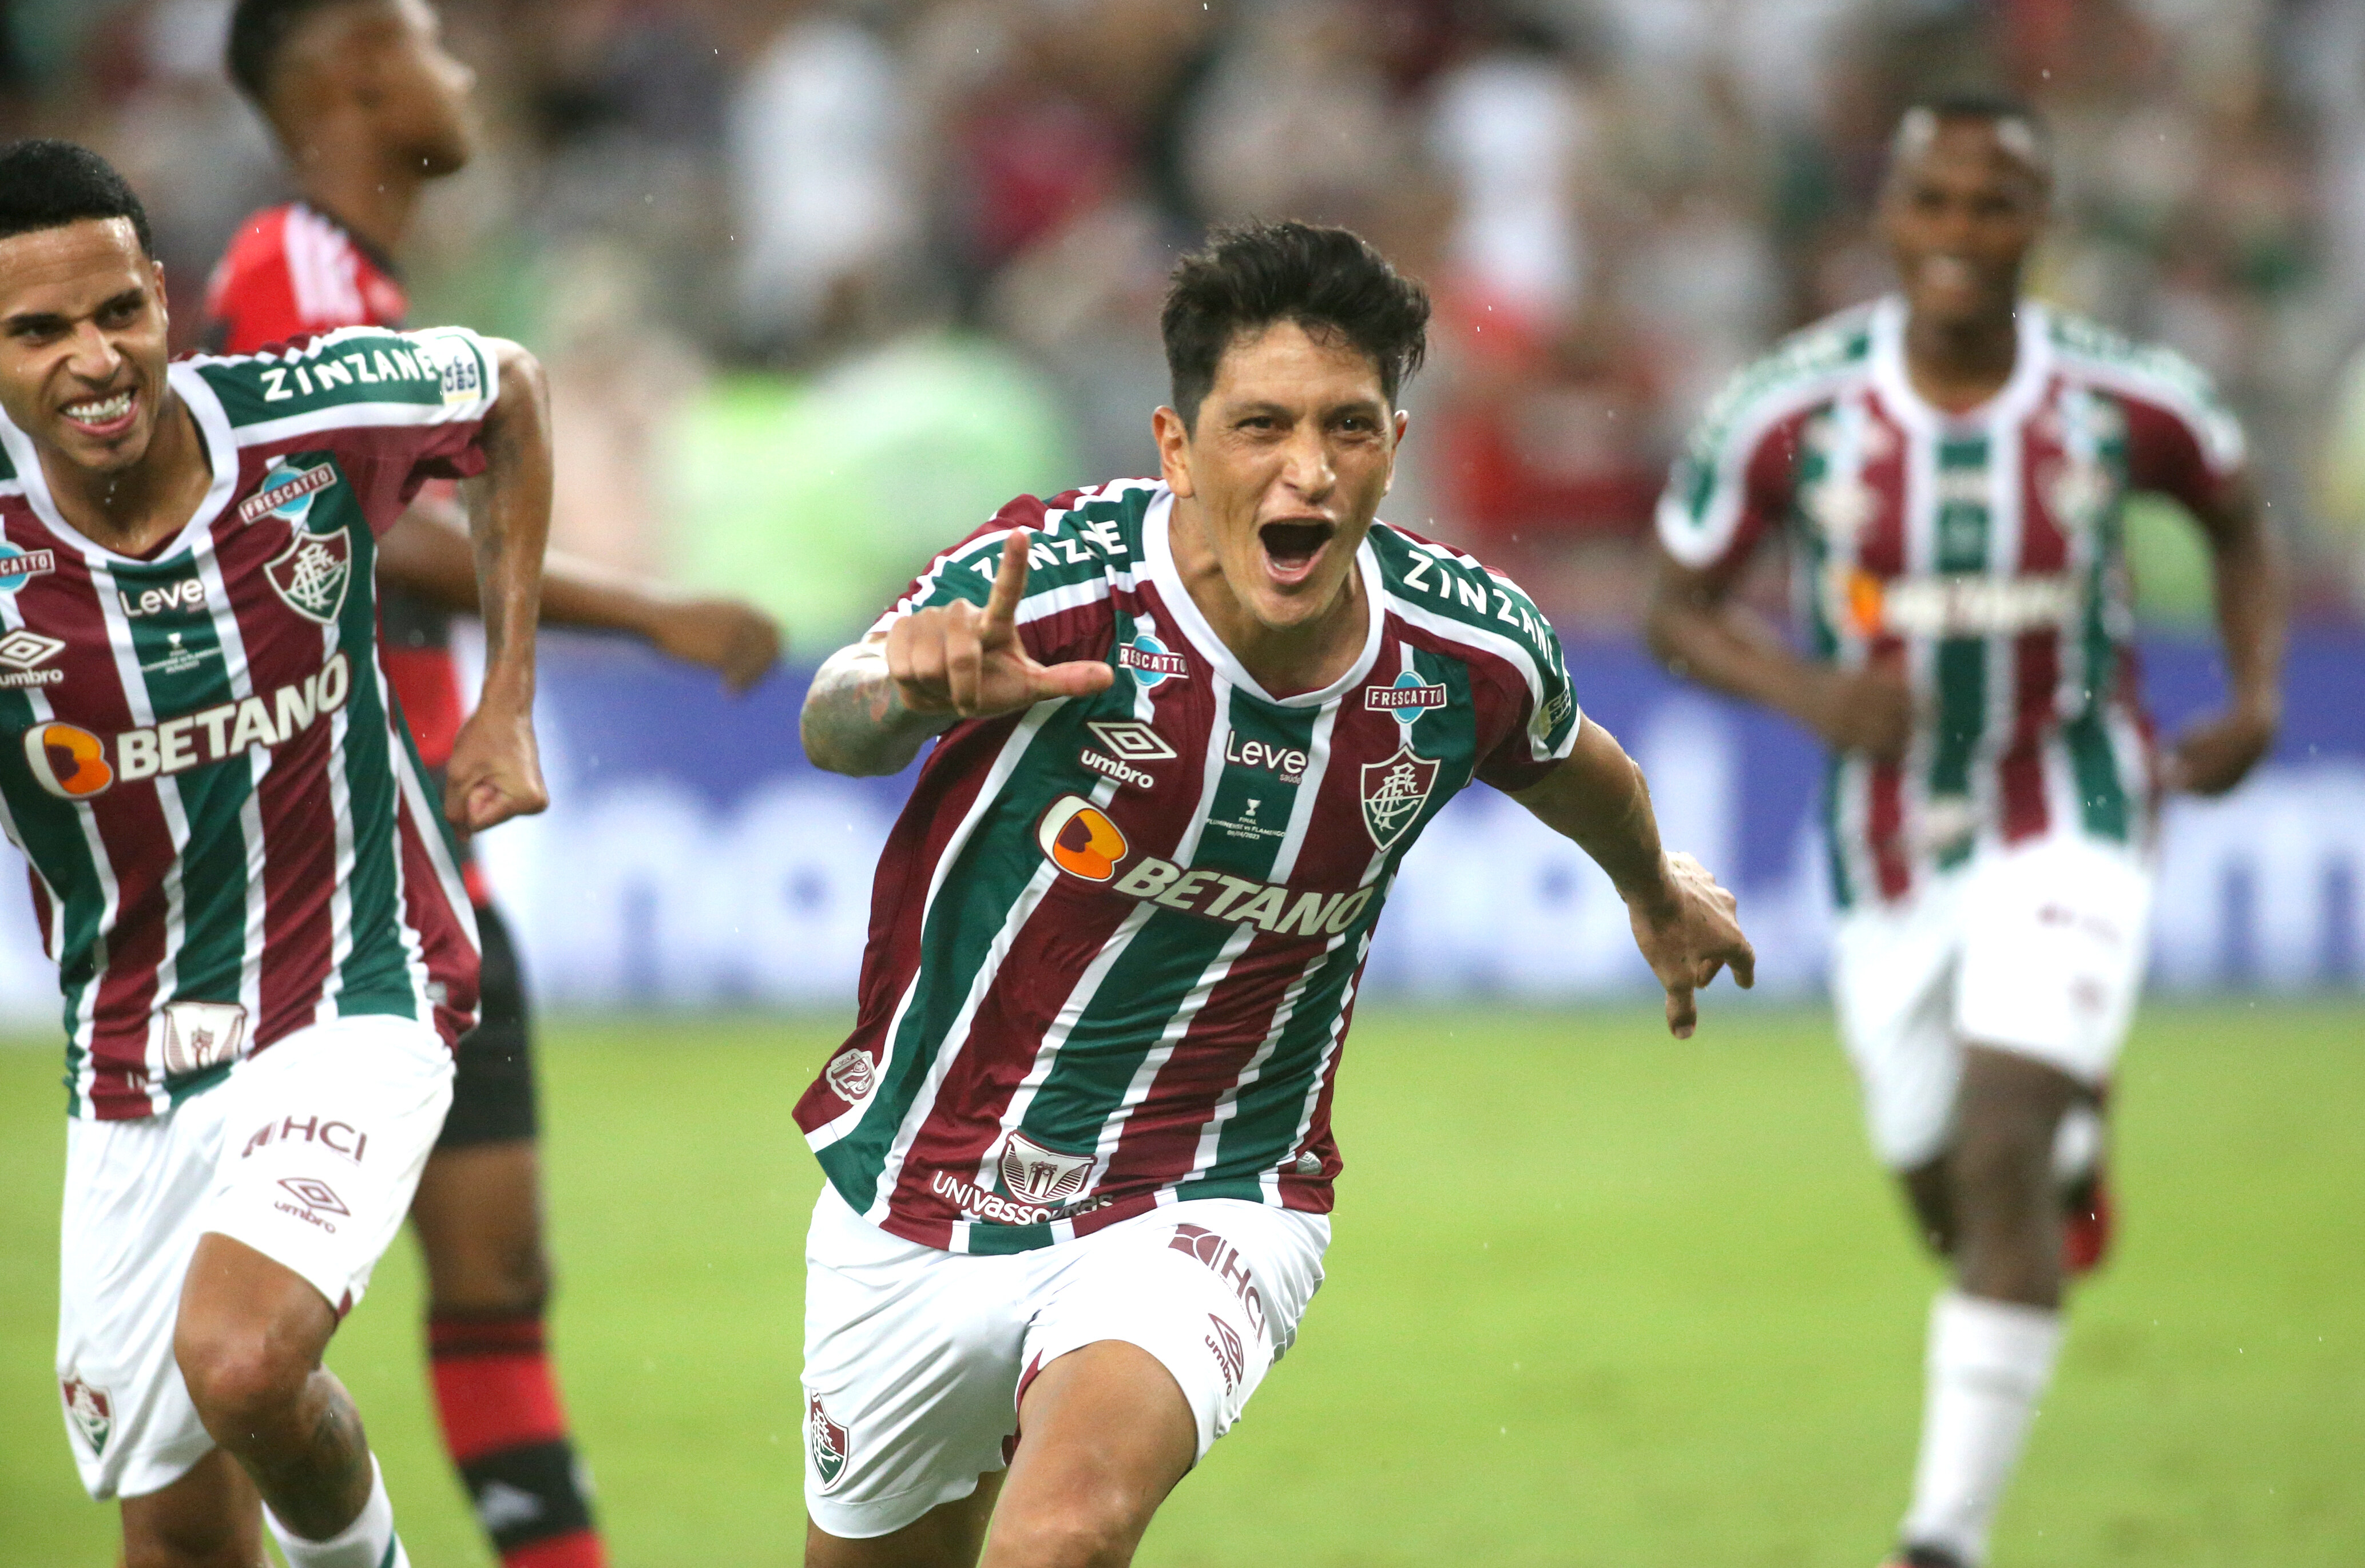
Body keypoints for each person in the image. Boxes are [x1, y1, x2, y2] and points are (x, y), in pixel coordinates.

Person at [793, 219, 1755, 1566]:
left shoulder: (1464, 648)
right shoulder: (1055, 583)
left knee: (1057, 1540)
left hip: (1213, 1186)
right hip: (916, 1186)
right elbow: (831, 724)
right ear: (1177, 449)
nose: (1307, 470)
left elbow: (1573, 763)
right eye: (1259, 427)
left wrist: (1653, 888)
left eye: (1349, 427)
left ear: (1396, 446)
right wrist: (904, 682)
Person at [1646, 97, 2283, 1568]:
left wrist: (2253, 697)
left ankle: (1941, 1540)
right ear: (1891, 216)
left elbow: (2241, 517)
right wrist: (1804, 686)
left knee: (1996, 1145)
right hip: (1885, 848)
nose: (1957, 234)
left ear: (2038, 223)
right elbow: (1676, 607)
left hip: (2076, 800)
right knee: (1951, 1190)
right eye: (1932, 202)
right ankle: (2065, 1155)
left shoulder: (2127, 399)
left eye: (1992, 206)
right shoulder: (1792, 407)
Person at [212, 5, 784, 1565]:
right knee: (248, 1353)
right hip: (338, 882)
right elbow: (333, 522)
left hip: (426, 871)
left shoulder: (357, 283)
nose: (461, 71)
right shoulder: (294, 266)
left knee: (495, 1275)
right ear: (348, 71)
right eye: (427, 39)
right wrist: (650, 610)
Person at [1, 138, 551, 1568]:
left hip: (359, 985)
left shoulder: (310, 416)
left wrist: (506, 700)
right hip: (130, 1055)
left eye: (117, 312)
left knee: (243, 1360)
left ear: (166, 302)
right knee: (178, 1535)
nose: (94, 361)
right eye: (37, 331)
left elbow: (511, 392)